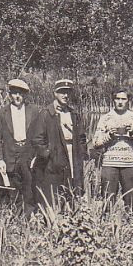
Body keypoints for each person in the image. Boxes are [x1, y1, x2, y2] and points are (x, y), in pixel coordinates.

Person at [0, 78, 51, 208]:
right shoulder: (2, 112)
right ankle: (14, 218)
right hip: (10, 154)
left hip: (28, 153)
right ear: (10, 94)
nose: (17, 96)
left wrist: (37, 155)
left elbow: (42, 135)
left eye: (21, 93)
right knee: (13, 189)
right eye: (14, 93)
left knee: (29, 187)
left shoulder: (34, 110)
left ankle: (31, 216)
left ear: (25, 95)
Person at [91, 89, 133, 213]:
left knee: (131, 200)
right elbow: (95, 143)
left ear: (128, 100)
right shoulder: (106, 118)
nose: (120, 102)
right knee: (108, 199)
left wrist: (132, 134)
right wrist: (109, 135)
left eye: (123, 99)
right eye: (118, 99)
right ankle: (108, 227)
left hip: (129, 164)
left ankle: (132, 228)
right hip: (110, 164)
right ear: (113, 100)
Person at [38, 79, 88, 208]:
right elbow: (38, 139)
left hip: (72, 155)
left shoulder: (74, 114)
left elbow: (82, 137)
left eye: (68, 93)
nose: (65, 96)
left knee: (71, 189)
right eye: (62, 92)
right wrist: (48, 154)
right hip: (54, 159)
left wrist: (82, 154)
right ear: (55, 93)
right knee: (53, 194)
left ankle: (70, 218)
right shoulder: (46, 113)